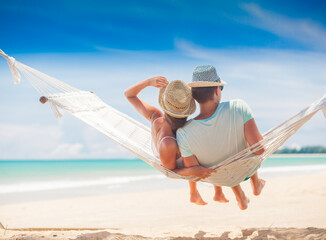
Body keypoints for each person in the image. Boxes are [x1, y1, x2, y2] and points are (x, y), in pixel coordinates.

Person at [176, 65, 266, 210]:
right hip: (246, 169)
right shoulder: (238, 107)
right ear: (217, 90)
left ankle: (242, 194)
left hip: (216, 178)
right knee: (246, 141)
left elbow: (195, 172)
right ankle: (255, 184)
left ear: (194, 97)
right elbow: (260, 149)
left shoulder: (183, 132)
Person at [124, 77, 216, 205]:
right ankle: (194, 193)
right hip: (166, 154)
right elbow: (170, 172)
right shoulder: (170, 142)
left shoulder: (155, 115)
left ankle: (196, 193)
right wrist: (192, 171)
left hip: (164, 146)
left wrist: (148, 82)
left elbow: (129, 95)